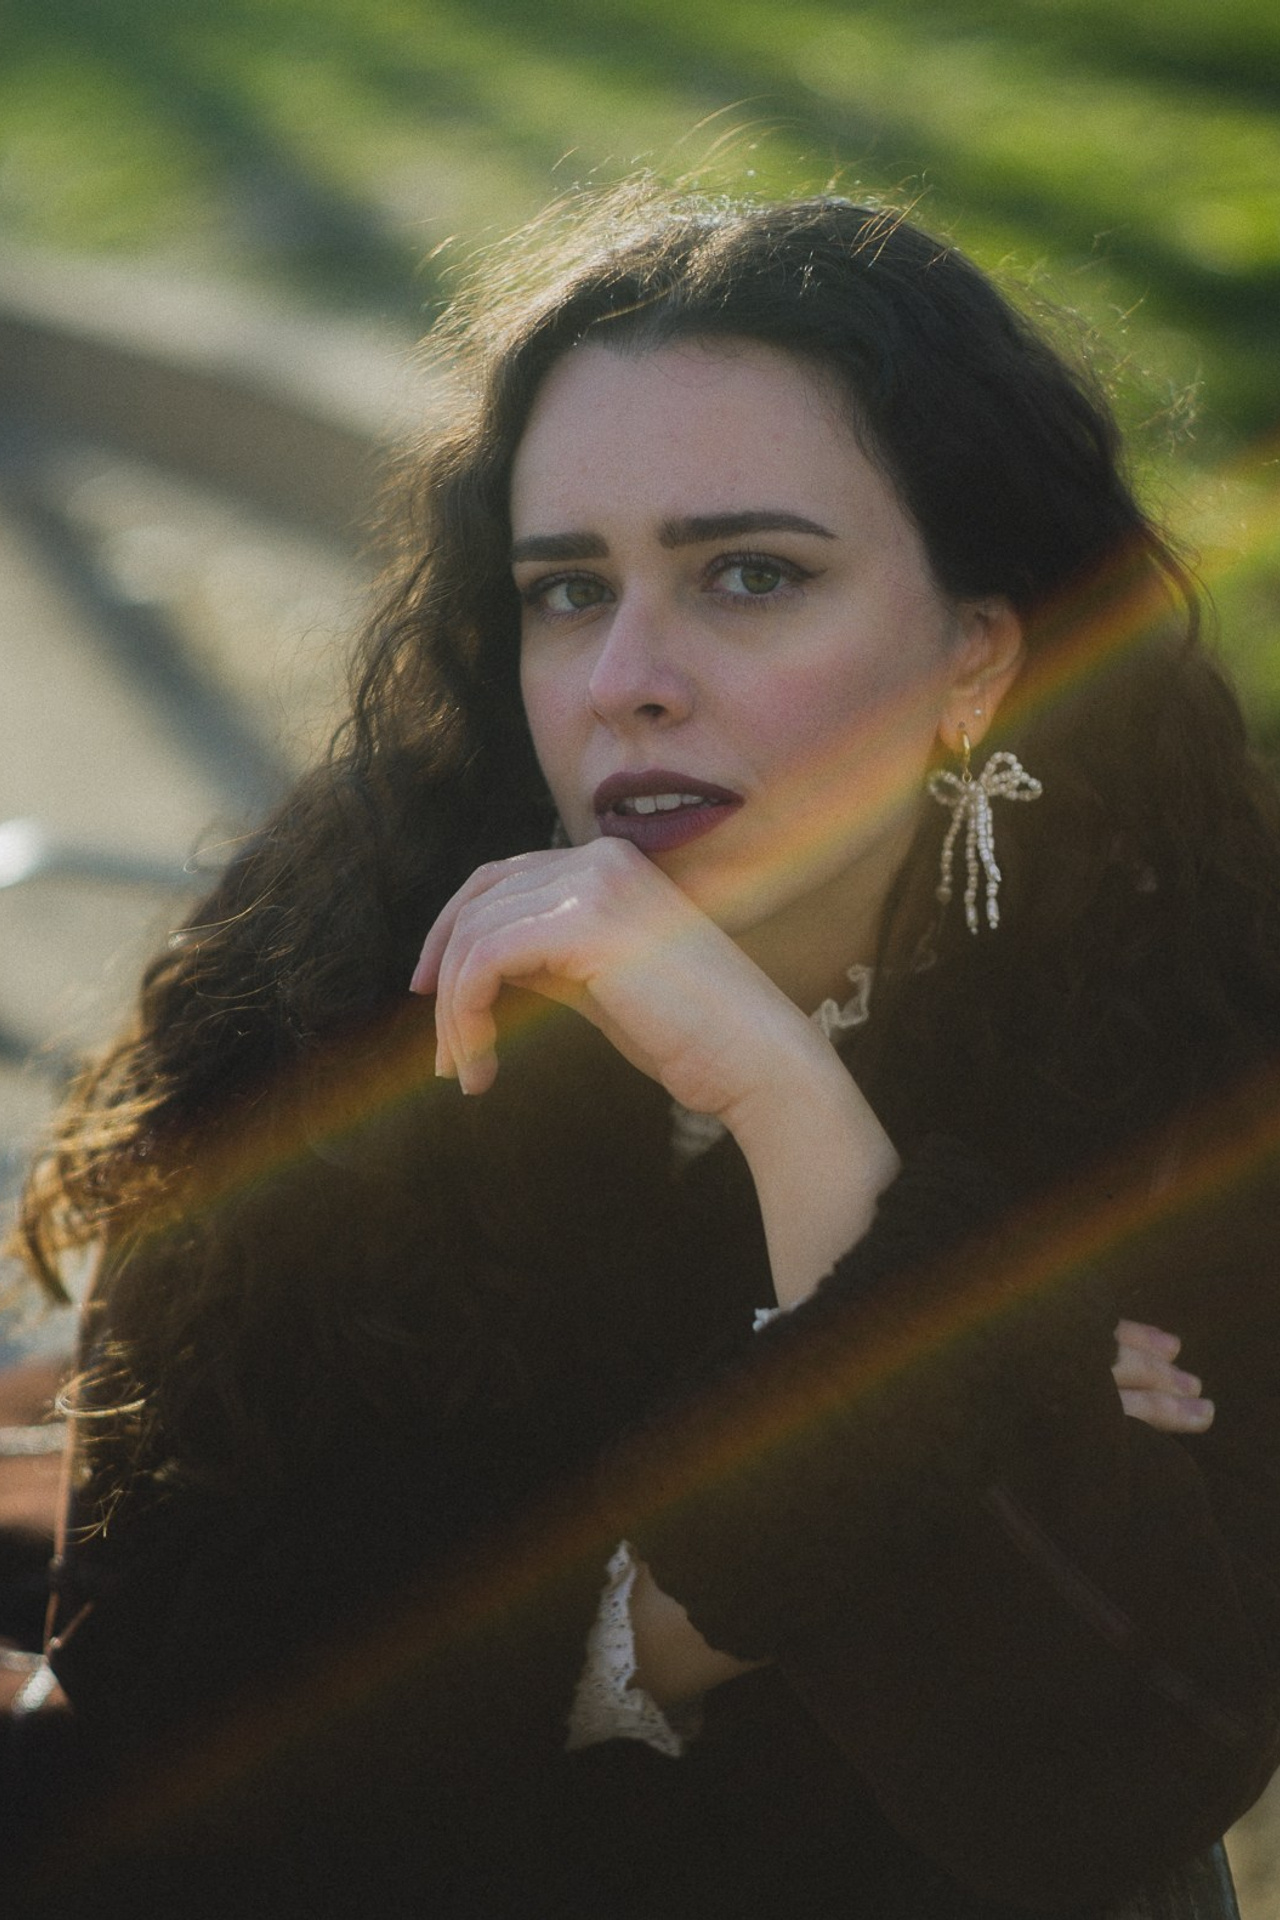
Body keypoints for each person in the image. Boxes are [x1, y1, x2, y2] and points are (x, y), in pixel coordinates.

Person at [11, 189, 1280, 1918]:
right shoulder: (317, 978)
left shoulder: (1195, 1029)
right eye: (563, 589)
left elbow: (1116, 1766)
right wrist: (699, 1609)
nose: (625, 678)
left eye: (751, 576)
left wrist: (793, 1113)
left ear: (979, 652)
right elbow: (184, 1723)